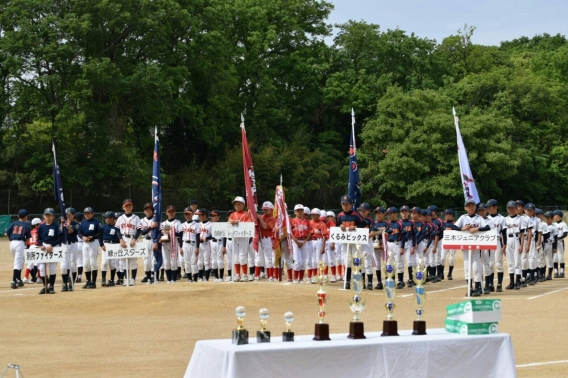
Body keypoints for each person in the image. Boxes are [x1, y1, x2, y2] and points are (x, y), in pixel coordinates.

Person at [454, 199, 490, 297]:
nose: (471, 208)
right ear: (465, 208)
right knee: (467, 267)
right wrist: (462, 229)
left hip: (476, 247)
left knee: (476, 268)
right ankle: (469, 288)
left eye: (472, 206)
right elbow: (453, 227)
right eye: (469, 206)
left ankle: (477, 288)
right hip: (465, 247)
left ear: (475, 207)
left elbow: (487, 227)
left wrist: (477, 228)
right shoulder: (463, 217)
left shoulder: (479, 218)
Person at [336, 195, 365, 290]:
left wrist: (356, 227)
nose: (345, 206)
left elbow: (364, 224)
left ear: (351, 205)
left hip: (356, 241)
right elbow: (336, 227)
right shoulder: (340, 216)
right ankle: (347, 281)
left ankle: (358, 281)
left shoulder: (356, 214)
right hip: (346, 241)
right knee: (347, 260)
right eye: (343, 204)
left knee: (356, 260)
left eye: (347, 204)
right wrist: (340, 225)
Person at [37, 208, 64, 294]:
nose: (47, 217)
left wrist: (52, 245)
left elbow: (60, 238)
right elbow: (39, 238)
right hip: (44, 246)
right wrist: (41, 245)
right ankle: (45, 286)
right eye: (46, 215)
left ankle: (51, 286)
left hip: (53, 246)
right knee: (42, 268)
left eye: (49, 215)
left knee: (52, 268)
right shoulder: (41, 227)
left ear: (53, 216)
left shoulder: (56, 227)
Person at [115, 199, 142, 286]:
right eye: (126, 206)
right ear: (123, 207)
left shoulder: (136, 217)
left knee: (133, 260)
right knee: (123, 260)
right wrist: (120, 239)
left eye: (130, 205)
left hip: (132, 238)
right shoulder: (120, 218)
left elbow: (138, 230)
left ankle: (133, 279)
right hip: (123, 238)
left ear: (132, 207)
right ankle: (127, 279)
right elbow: (117, 230)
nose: (128, 207)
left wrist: (134, 239)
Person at [5, 209, 32, 289]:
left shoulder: (13, 223)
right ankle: (13, 281)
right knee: (18, 262)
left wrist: (11, 238)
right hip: (20, 243)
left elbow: (6, 233)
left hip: (12, 243)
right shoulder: (26, 225)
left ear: (18, 216)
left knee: (19, 261)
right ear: (26, 217)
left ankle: (18, 279)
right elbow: (28, 238)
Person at [228, 197, 253, 282]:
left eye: (239, 204)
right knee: (236, 257)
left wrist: (239, 222)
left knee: (242, 256)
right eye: (236, 204)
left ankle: (245, 275)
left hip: (243, 237)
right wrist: (231, 221)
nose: (237, 206)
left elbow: (249, 223)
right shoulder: (233, 214)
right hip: (235, 237)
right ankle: (237, 274)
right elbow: (229, 221)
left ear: (243, 205)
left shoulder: (246, 214)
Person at [79, 207, 103, 289]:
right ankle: (88, 281)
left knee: (93, 262)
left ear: (92, 214)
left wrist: (92, 236)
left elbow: (100, 232)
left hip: (93, 242)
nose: (87, 215)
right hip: (85, 243)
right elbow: (79, 233)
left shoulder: (96, 222)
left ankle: (93, 282)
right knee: (85, 263)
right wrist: (83, 237)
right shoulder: (83, 223)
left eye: (89, 213)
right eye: (85, 213)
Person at [158, 205, 182, 283]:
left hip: (174, 244)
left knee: (173, 261)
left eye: (172, 211)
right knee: (166, 262)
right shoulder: (165, 223)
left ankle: (174, 279)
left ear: (175, 212)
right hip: (165, 244)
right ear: (166, 213)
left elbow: (181, 234)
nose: (171, 213)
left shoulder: (177, 222)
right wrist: (160, 239)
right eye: (169, 211)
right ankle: (168, 279)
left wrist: (172, 232)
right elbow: (161, 234)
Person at [486, 199, 506, 292]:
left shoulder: (502, 218)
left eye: (490, 207)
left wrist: (504, 244)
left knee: (498, 264)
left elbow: (504, 232)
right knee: (490, 264)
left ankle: (499, 284)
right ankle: (490, 284)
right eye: (487, 207)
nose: (488, 209)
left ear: (495, 207)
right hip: (488, 241)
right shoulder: (486, 218)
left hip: (497, 240)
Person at [503, 201, 523, 290]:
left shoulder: (520, 219)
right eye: (509, 208)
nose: (511, 210)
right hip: (508, 240)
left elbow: (523, 233)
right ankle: (511, 282)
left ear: (516, 208)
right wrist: (504, 245)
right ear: (507, 209)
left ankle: (518, 281)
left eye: (513, 208)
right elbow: (503, 233)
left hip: (517, 239)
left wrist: (522, 245)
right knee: (510, 262)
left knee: (517, 261)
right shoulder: (505, 219)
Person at [60, 208, 81, 291]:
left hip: (73, 245)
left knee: (72, 264)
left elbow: (70, 231)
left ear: (73, 215)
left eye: (70, 214)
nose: (68, 215)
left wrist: (68, 224)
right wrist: (62, 223)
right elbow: (61, 231)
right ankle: (64, 283)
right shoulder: (63, 223)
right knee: (63, 266)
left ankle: (71, 284)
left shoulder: (76, 224)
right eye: (67, 214)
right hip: (65, 245)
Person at [290, 204, 312, 283]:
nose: (300, 212)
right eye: (298, 211)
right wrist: (296, 241)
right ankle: (295, 278)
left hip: (304, 241)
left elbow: (309, 232)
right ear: (294, 212)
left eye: (301, 210)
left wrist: (305, 241)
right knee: (297, 261)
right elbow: (290, 233)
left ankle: (301, 278)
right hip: (296, 241)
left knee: (303, 261)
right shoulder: (292, 221)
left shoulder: (307, 222)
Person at [100, 211, 122, 287]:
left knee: (112, 264)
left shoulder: (116, 227)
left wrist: (115, 245)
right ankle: (103, 279)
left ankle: (112, 280)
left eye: (107, 218)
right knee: (104, 262)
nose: (106, 219)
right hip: (105, 245)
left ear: (112, 218)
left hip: (113, 245)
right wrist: (101, 244)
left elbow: (118, 237)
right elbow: (100, 236)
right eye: (105, 218)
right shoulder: (104, 227)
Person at [385, 207, 404, 289]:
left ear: (396, 214)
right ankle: (391, 280)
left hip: (397, 243)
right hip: (389, 244)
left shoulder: (400, 223)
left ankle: (400, 281)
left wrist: (402, 247)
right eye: (388, 214)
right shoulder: (388, 224)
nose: (390, 215)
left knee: (398, 262)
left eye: (391, 213)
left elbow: (403, 236)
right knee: (390, 263)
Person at [358, 202, 375, 290]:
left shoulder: (370, 220)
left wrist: (364, 236)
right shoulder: (358, 219)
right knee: (360, 263)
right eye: (361, 210)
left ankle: (370, 283)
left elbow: (373, 233)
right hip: (359, 242)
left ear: (368, 211)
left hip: (367, 242)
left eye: (364, 211)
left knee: (367, 263)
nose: (362, 212)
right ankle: (362, 283)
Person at [140, 203, 158, 283]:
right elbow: (142, 232)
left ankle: (154, 276)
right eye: (147, 210)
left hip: (153, 240)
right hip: (145, 241)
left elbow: (159, 231)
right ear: (144, 211)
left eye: (150, 210)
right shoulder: (142, 221)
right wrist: (151, 227)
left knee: (153, 259)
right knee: (146, 260)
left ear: (152, 211)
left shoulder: (156, 220)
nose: (148, 211)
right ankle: (147, 276)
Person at [258, 202, 276, 282]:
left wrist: (259, 218)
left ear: (271, 210)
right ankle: (257, 275)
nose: (264, 211)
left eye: (267, 210)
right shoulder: (261, 216)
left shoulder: (272, 218)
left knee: (268, 258)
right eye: (264, 209)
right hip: (259, 238)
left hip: (267, 239)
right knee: (258, 258)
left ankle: (270, 276)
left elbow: (265, 226)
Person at [309, 208, 327, 284]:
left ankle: (320, 276)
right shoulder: (310, 222)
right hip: (311, 241)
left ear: (318, 215)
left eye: (314, 215)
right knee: (312, 260)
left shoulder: (322, 224)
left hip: (319, 241)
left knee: (318, 259)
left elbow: (324, 236)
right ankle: (314, 276)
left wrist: (323, 247)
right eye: (312, 215)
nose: (312, 216)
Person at [525, 203, 541, 285]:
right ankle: (526, 275)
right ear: (525, 210)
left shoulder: (537, 220)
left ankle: (532, 276)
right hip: (523, 239)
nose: (530, 212)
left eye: (531, 210)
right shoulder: (522, 218)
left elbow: (538, 232)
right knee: (524, 259)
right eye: (528, 210)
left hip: (532, 239)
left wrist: (538, 242)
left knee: (532, 258)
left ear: (534, 211)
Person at [372, 207, 388, 290]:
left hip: (384, 245)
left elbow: (389, 234)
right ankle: (379, 282)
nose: (378, 215)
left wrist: (384, 244)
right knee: (377, 265)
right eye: (376, 213)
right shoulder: (374, 223)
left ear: (383, 214)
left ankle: (387, 281)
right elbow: (372, 234)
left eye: (379, 213)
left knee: (386, 264)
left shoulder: (387, 224)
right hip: (376, 245)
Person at [23, 217, 42, 284]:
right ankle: (39, 278)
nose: (40, 225)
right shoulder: (39, 231)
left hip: (31, 247)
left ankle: (26, 277)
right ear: (36, 225)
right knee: (40, 263)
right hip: (37, 247)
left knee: (30, 264)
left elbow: (27, 242)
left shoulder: (30, 232)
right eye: (39, 224)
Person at [400, 205, 415, 288]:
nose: (404, 213)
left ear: (408, 213)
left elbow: (414, 235)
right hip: (400, 243)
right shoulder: (399, 223)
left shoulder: (411, 223)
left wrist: (413, 245)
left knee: (409, 261)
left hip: (409, 242)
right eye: (403, 212)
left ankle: (410, 279)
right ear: (400, 213)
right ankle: (400, 280)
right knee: (400, 261)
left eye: (406, 212)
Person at [196, 209, 213, 281]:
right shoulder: (197, 224)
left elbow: (213, 235)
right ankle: (200, 278)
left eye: (200, 215)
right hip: (199, 245)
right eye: (199, 215)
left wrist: (206, 238)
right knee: (199, 262)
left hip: (206, 244)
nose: (199, 216)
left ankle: (206, 278)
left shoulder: (210, 224)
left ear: (205, 215)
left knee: (206, 262)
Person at [428, 205, 444, 281]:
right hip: (430, 240)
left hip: (438, 240)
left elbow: (442, 232)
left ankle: (439, 274)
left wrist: (436, 241)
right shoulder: (429, 220)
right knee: (431, 258)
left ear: (434, 212)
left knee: (437, 257)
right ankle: (431, 274)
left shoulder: (439, 221)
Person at [209, 210, 226, 282]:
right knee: (213, 261)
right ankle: (216, 277)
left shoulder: (222, 225)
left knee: (219, 261)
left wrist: (224, 246)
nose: (213, 217)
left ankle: (221, 277)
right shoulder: (210, 225)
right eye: (212, 216)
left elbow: (225, 236)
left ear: (218, 216)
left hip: (220, 242)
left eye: (214, 216)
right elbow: (209, 235)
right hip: (212, 242)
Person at [441, 209, 456, 281]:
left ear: (451, 215)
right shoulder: (443, 223)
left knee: (451, 258)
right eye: (445, 214)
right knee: (442, 258)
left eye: (447, 214)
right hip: (445, 242)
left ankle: (450, 273)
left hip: (453, 243)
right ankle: (441, 273)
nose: (445, 216)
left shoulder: (455, 224)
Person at [552, 210, 567, 278]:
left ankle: (562, 272)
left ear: (558, 216)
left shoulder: (563, 224)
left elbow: (565, 234)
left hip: (560, 242)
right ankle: (555, 272)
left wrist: (558, 238)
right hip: (554, 243)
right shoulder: (554, 224)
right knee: (555, 257)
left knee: (560, 257)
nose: (553, 217)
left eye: (554, 215)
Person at [325, 210, 338, 282]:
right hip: (325, 241)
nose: (329, 217)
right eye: (328, 216)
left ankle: (333, 276)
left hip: (330, 240)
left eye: (331, 216)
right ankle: (325, 275)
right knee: (325, 260)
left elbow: (333, 233)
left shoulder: (333, 223)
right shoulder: (325, 223)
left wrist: (333, 243)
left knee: (331, 260)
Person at [544, 211, 558, 280]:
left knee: (550, 259)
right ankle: (542, 274)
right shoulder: (543, 225)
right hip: (543, 244)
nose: (547, 219)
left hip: (550, 244)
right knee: (542, 259)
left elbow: (555, 237)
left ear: (552, 218)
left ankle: (549, 274)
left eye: (548, 218)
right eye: (546, 217)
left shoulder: (554, 227)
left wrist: (555, 247)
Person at [75, 211, 84, 283]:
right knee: (84, 260)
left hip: (76, 244)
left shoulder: (74, 224)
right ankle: (80, 276)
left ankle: (75, 276)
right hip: (85, 243)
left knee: (77, 261)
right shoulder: (84, 224)